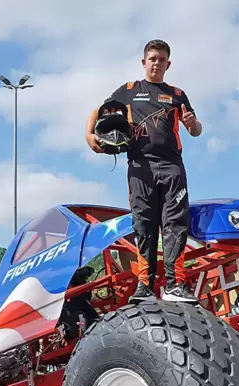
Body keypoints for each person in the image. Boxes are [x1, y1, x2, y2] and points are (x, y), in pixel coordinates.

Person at [85, 39, 202, 303]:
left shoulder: (177, 94)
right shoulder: (128, 90)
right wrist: (88, 135)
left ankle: (175, 285)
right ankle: (145, 287)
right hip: (140, 167)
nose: (157, 63)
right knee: (144, 225)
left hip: (172, 167)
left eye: (161, 59)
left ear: (168, 64)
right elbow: (97, 110)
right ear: (144, 62)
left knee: (175, 224)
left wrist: (193, 123)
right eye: (152, 59)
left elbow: (195, 131)